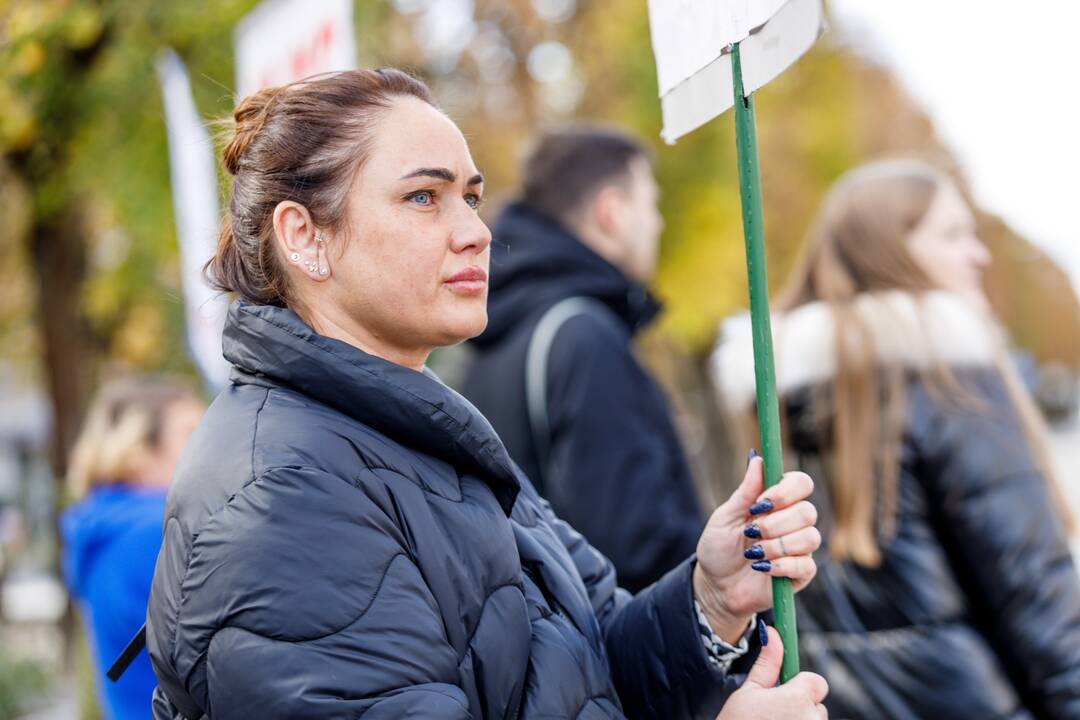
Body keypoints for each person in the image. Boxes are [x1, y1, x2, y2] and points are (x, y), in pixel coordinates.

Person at [144, 69, 828, 720]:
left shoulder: (420, 428)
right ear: (304, 237)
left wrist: (707, 600)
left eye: (470, 197)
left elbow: (581, 672)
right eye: (423, 197)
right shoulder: (283, 498)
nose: (477, 231)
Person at [711, 159, 1080, 719]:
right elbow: (1035, 592)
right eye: (953, 234)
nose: (978, 254)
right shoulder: (947, 378)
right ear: (889, 251)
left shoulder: (774, 402)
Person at [462, 125, 704, 592]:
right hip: (629, 645)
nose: (658, 223)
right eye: (650, 204)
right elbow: (636, 541)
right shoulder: (584, 336)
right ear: (610, 212)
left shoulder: (502, 332)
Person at [61, 376, 204, 720]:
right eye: (191, 435)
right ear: (138, 450)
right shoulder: (155, 531)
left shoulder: (104, 530)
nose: (211, 447)